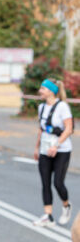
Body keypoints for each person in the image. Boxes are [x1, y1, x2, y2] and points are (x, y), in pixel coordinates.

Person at [33, 78, 74, 227]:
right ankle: (48, 216)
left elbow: (69, 129)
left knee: (58, 183)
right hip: (45, 149)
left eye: (42, 89)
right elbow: (41, 129)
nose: (40, 91)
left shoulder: (62, 107)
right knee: (45, 183)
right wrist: (37, 148)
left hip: (61, 150)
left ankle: (66, 205)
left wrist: (56, 145)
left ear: (51, 91)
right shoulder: (41, 107)